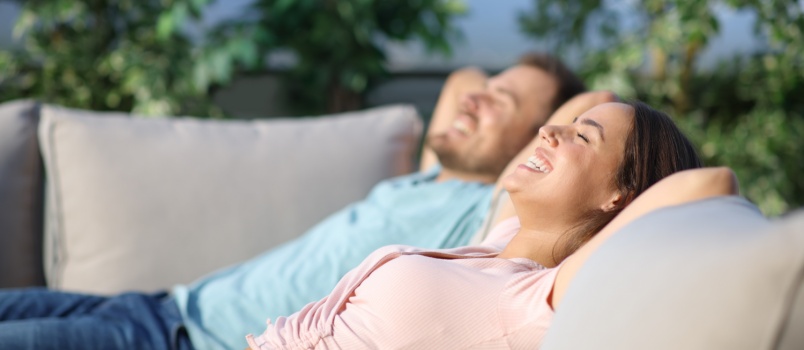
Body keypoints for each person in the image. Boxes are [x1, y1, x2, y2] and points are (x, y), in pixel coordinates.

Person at [0, 53, 599, 349]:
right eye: (488, 88)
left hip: (181, 341)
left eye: (500, 103)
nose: (473, 99)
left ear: (538, 140)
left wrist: (541, 131)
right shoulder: (428, 179)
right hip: (157, 305)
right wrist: (497, 93)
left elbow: (593, 105)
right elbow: (461, 80)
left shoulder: (484, 214)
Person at [244, 101, 731, 349]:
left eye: (583, 137)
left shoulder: (529, 302)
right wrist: (593, 120)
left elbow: (711, 183)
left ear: (618, 197)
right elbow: (592, 98)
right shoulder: (498, 245)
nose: (548, 131)